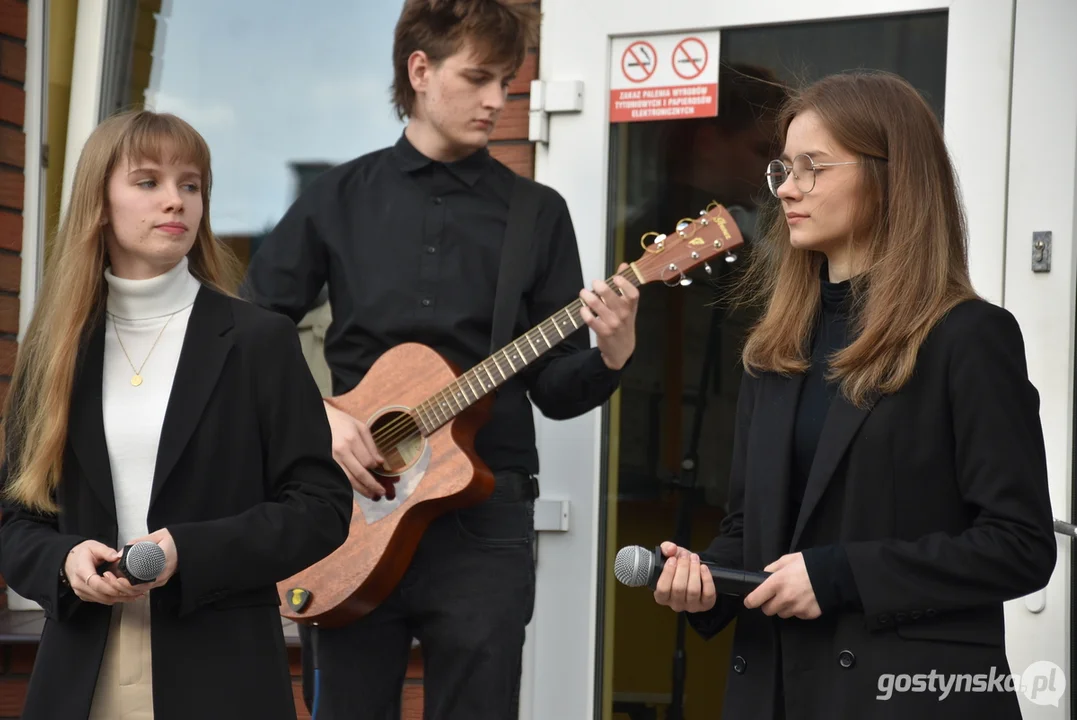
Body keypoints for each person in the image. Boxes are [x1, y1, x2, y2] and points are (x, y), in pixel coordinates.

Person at [240, 1, 640, 717]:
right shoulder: (336, 197)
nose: (496, 100)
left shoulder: (536, 213)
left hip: (483, 525)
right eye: (479, 78)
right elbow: (249, 331)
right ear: (419, 71)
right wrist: (320, 420)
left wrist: (611, 355)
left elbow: (554, 386)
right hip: (354, 507)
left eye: (508, 84)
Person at [650, 70, 1057, 719]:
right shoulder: (772, 348)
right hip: (773, 692)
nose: (787, 187)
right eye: (782, 168)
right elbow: (747, 534)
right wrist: (705, 582)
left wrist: (842, 574)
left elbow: (1018, 545)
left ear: (891, 175)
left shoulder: (967, 338)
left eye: (812, 167)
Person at [0, 110, 353, 720]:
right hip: (81, 672)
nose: (176, 200)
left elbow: (320, 509)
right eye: (148, 182)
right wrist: (61, 562)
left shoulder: (258, 340)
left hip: (224, 673)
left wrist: (186, 551)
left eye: (191, 185)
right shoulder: (55, 348)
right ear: (100, 202)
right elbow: (13, 517)